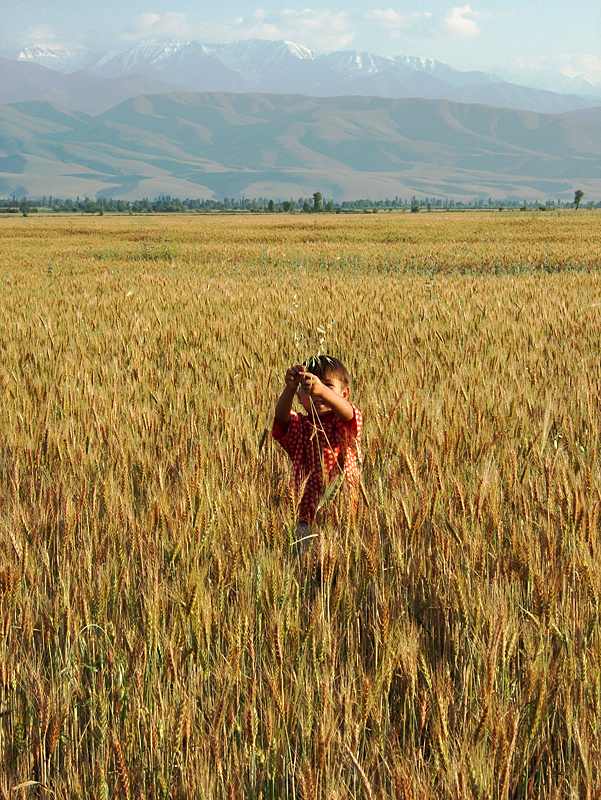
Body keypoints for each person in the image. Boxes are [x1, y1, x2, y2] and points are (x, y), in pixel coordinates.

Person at [272, 355, 362, 550]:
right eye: (309, 389)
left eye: (327, 386)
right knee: (304, 568)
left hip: (341, 517)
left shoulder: (344, 424)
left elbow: (348, 413)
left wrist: (321, 390)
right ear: (299, 396)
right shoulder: (301, 426)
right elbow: (281, 417)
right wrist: (290, 388)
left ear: (344, 394)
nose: (316, 393)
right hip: (304, 517)